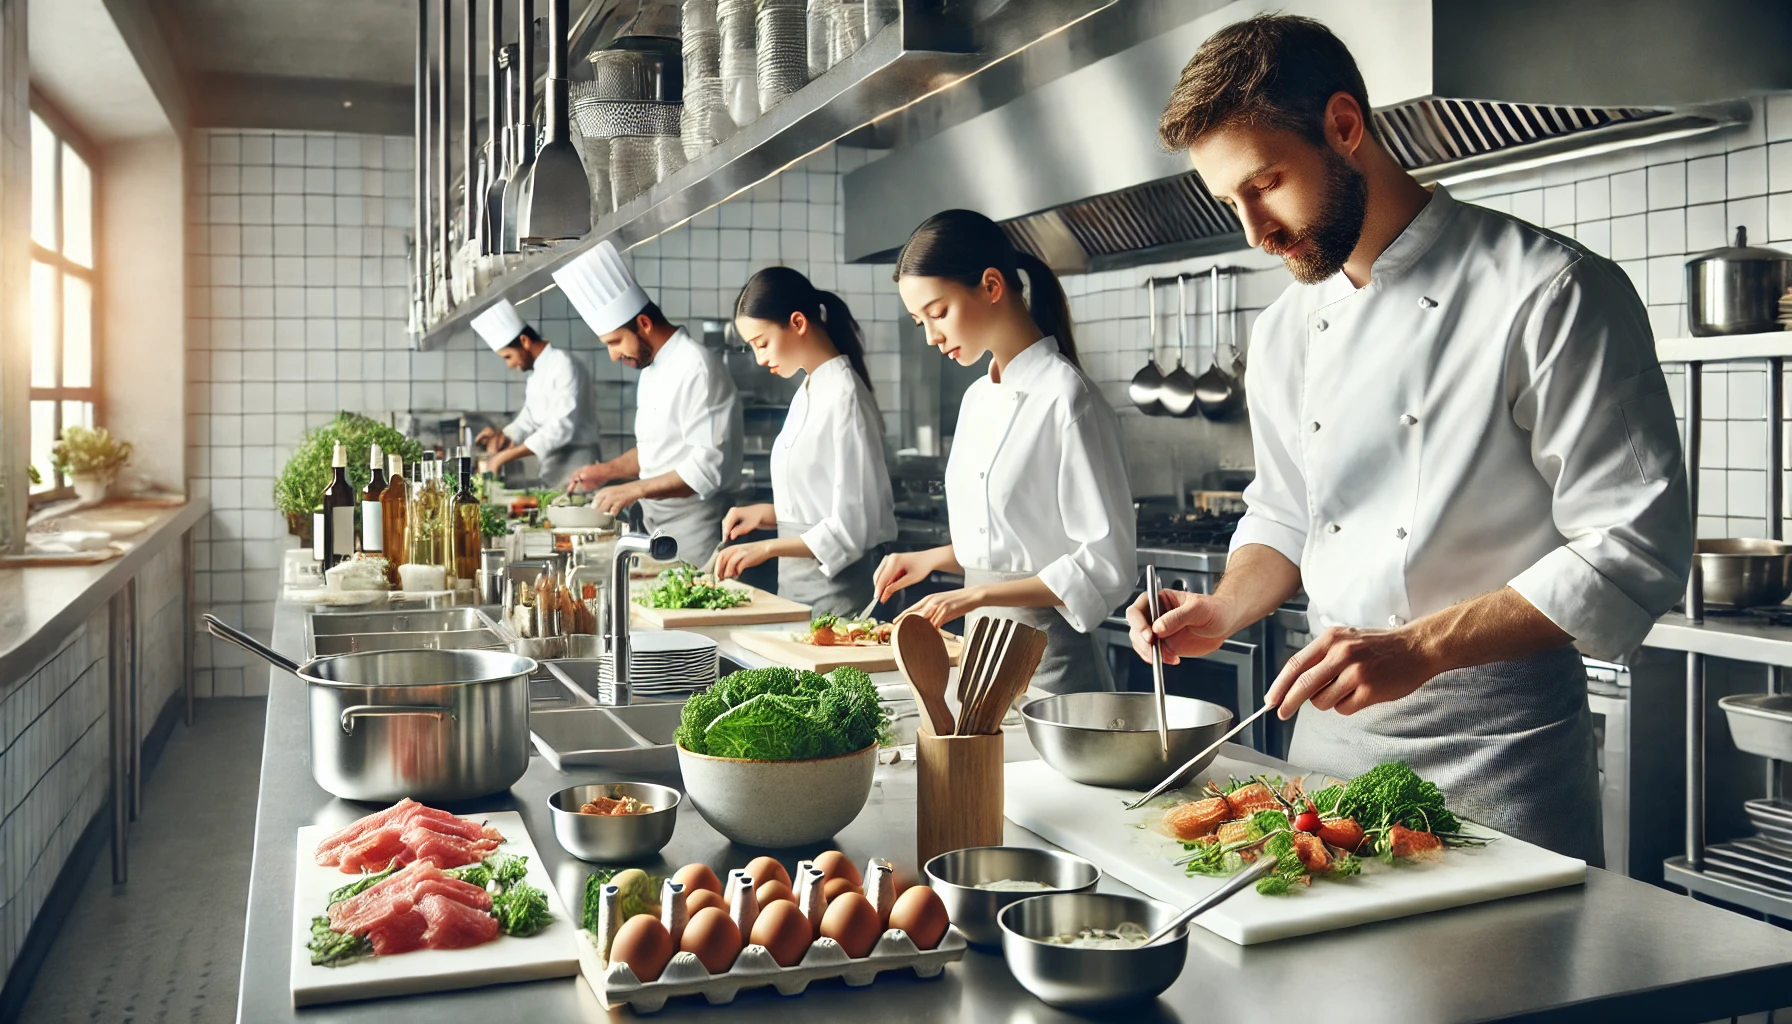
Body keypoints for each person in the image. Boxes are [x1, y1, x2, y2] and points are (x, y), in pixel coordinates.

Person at [1129, 14, 1691, 862]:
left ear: (1344, 128)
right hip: (1323, 766)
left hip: (1499, 765)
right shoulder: (1286, 328)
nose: (1252, 230)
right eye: (1229, 202)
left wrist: (1418, 647)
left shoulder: (1549, 291)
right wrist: (1224, 607)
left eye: (1265, 184)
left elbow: (1632, 544)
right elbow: (1286, 512)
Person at [873, 209, 1135, 694]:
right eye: (919, 322)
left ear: (992, 286)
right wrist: (931, 559)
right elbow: (1009, 545)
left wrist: (978, 596)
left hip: (1049, 672)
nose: (931, 336)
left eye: (937, 313)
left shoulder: (1068, 397)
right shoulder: (976, 399)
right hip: (979, 662)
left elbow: (1106, 566)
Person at [714, 267, 898, 616]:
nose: (759, 358)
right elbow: (818, 507)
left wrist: (767, 549)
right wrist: (769, 516)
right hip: (797, 593)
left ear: (798, 323)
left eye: (762, 343)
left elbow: (852, 530)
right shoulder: (809, 389)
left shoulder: (845, 396)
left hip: (838, 600)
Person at [554, 241, 744, 563]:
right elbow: (656, 450)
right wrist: (607, 471)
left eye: (615, 341)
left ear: (644, 324)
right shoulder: (652, 367)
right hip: (655, 527)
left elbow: (706, 470)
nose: (613, 355)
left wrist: (633, 489)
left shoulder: (697, 366)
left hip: (694, 533)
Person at [468, 298, 601, 489]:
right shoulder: (537, 374)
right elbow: (528, 419)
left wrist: (504, 457)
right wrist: (502, 436)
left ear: (524, 341)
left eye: (508, 356)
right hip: (552, 467)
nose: (510, 365)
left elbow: (561, 428)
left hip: (578, 466)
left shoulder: (562, 364)